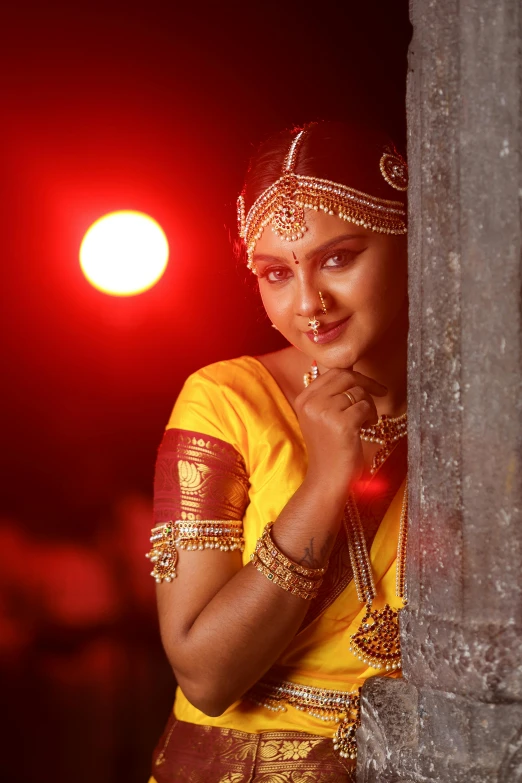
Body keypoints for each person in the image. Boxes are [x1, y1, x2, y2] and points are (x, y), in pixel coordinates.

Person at [147, 120, 409, 783]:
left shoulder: (479, 410)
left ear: (413, 241)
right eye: (275, 272)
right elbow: (205, 674)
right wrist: (325, 482)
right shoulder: (228, 400)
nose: (309, 303)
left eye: (339, 257)